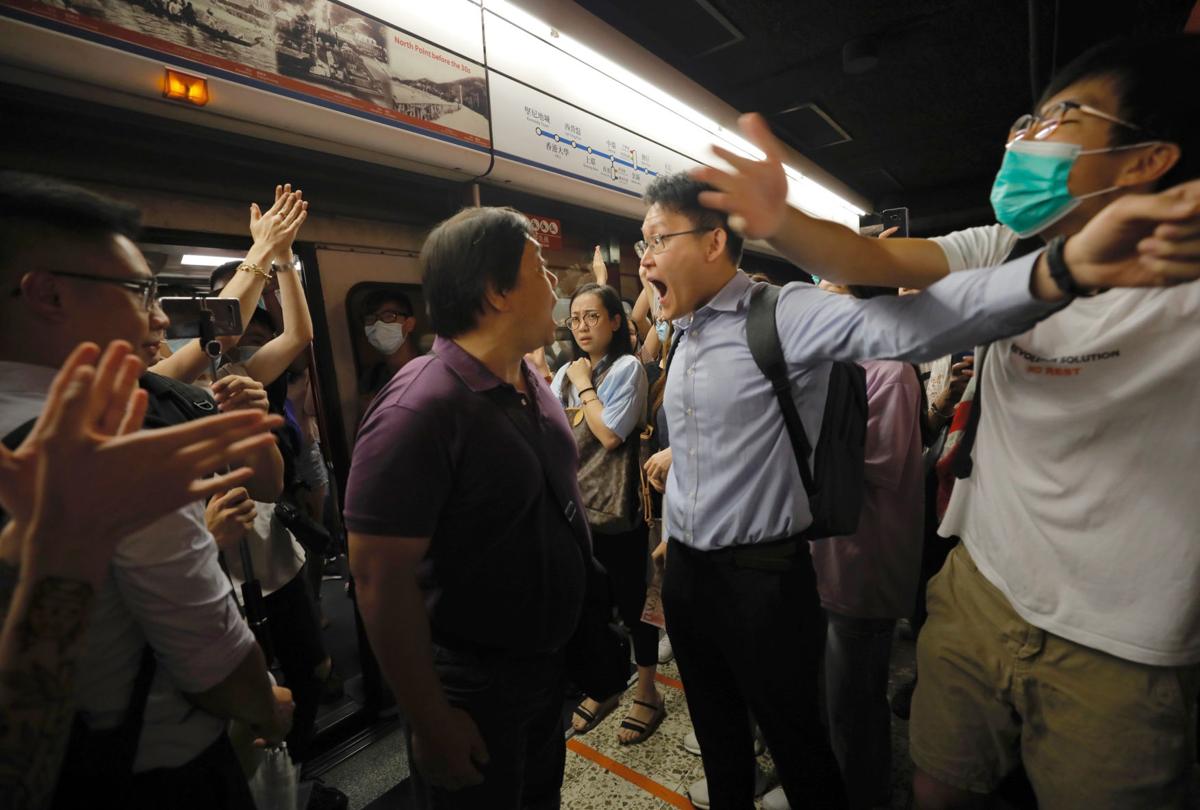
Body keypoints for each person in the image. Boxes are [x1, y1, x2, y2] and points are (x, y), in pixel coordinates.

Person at [691, 33, 1200, 809]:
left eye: (1057, 116)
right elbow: (883, 264)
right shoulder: (1009, 243)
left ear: (1142, 160)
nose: (1020, 139)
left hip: (1123, 641)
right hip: (982, 585)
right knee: (937, 782)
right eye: (1026, 119)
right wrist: (782, 222)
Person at [0, 172, 294, 809]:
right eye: (139, 291)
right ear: (47, 294)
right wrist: (266, 705)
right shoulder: (103, 446)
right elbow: (214, 665)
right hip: (159, 776)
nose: (159, 317)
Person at [344, 207, 588, 809]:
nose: (556, 287)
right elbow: (379, 578)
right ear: (496, 292)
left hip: (543, 671)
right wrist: (431, 720)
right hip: (472, 688)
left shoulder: (528, 383)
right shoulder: (419, 409)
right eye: (541, 272)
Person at [806, 282, 924, 810]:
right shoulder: (836, 365)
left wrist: (794, 443)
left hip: (865, 558)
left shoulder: (890, 371)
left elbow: (878, 464)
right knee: (831, 695)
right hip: (829, 555)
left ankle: (866, 794)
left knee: (856, 701)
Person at [551, 282, 661, 744]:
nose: (582, 326)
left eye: (593, 316)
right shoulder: (564, 372)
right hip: (576, 507)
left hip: (617, 507)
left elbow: (611, 434)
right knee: (589, 600)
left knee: (633, 599)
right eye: (575, 318)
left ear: (616, 321)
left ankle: (650, 692)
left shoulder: (626, 369)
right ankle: (605, 683)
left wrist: (583, 387)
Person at [357, 289, 419, 412]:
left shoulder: (430, 369)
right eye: (370, 319)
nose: (378, 324)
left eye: (388, 316)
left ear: (409, 323)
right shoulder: (372, 378)